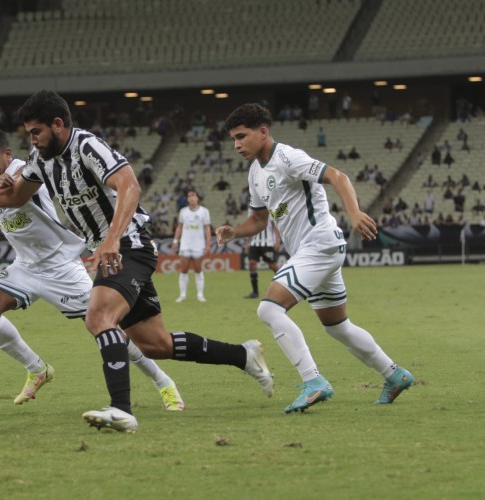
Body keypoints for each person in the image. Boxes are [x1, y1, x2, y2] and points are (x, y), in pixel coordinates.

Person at [0, 91, 274, 433]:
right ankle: (243, 355)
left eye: (36, 132)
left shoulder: (87, 147)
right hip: (105, 248)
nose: (31, 140)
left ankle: (121, 409)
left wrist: (111, 240)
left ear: (58, 124)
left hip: (129, 243)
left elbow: (129, 185)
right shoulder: (41, 160)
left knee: (99, 317)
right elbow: (12, 196)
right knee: (155, 344)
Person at [0, 128, 187, 411]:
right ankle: (37, 369)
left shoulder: (28, 169)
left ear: (8, 154)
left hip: (62, 267)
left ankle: (163, 381)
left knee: (105, 329)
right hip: (26, 266)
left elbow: (14, 189)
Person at [216, 103, 414, 414]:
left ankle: (313, 381)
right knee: (337, 327)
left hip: (318, 244)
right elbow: (258, 221)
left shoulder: (288, 158)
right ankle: (394, 374)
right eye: (234, 139)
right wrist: (234, 233)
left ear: (263, 132)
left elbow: (337, 175)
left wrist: (353, 213)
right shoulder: (256, 172)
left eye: (242, 136)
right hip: (316, 251)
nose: (237, 144)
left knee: (269, 309)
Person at [171, 189, 211, 303]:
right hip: (185, 244)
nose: (192, 198)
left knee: (198, 269)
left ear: (197, 198)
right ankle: (182, 295)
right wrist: (175, 241)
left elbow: (207, 228)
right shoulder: (183, 211)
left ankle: (200, 295)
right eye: (189, 196)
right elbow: (179, 227)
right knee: (184, 269)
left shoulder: (204, 211)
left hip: (199, 245)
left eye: (194, 195)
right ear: (187, 199)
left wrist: (208, 244)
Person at [243, 213, 281, 299]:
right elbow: (250, 227)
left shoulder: (269, 209)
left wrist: (277, 240)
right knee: (252, 264)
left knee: (272, 265)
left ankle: (285, 285)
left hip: (268, 243)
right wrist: (247, 242)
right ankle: (255, 292)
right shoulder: (251, 211)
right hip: (254, 243)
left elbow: (275, 226)